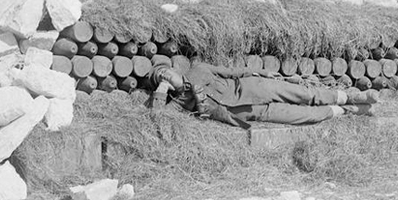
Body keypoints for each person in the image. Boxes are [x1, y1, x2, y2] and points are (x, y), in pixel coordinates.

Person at [147, 61, 381, 128]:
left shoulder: (198, 69)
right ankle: (347, 111)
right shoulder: (180, 103)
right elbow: (158, 117)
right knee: (302, 116)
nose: (165, 76)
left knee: (304, 94)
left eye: (165, 72)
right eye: (161, 78)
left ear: (175, 69)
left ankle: (351, 97)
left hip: (253, 87)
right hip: (250, 112)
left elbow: (232, 71)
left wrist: (261, 72)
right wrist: (161, 91)